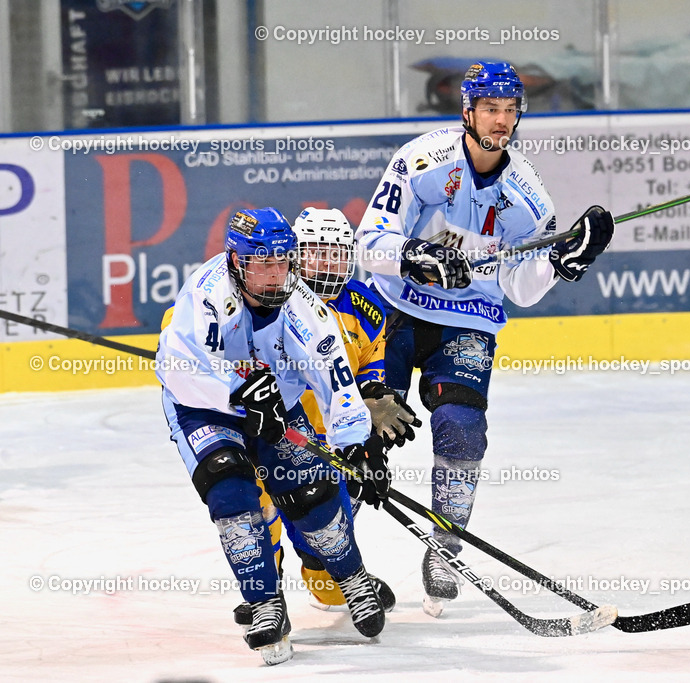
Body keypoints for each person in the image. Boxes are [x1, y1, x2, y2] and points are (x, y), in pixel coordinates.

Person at [355, 61, 614, 617]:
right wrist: (413, 257)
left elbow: (519, 287)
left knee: (464, 430)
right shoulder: (421, 161)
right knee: (355, 432)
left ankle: (445, 546)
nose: (501, 120)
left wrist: (560, 263)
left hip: (469, 318)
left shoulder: (529, 198)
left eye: (510, 109)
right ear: (467, 111)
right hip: (393, 310)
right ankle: (338, 563)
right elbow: (368, 240)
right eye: (491, 109)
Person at [157, 207, 391, 665]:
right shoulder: (206, 296)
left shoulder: (305, 308)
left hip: (275, 407)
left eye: (282, 263)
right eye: (261, 264)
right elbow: (179, 369)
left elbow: (336, 382)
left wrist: (357, 446)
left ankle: (352, 576)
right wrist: (237, 391)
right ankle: (265, 603)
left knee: (310, 492)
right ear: (236, 263)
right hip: (201, 406)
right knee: (230, 491)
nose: (273, 275)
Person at [231, 207, 420, 623]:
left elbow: (369, 369)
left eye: (336, 253)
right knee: (261, 508)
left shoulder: (365, 305)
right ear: (296, 255)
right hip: (270, 430)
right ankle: (265, 592)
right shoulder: (272, 296)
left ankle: (329, 580)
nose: (328, 263)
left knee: (328, 525)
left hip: (330, 441)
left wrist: (369, 434)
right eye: (316, 252)